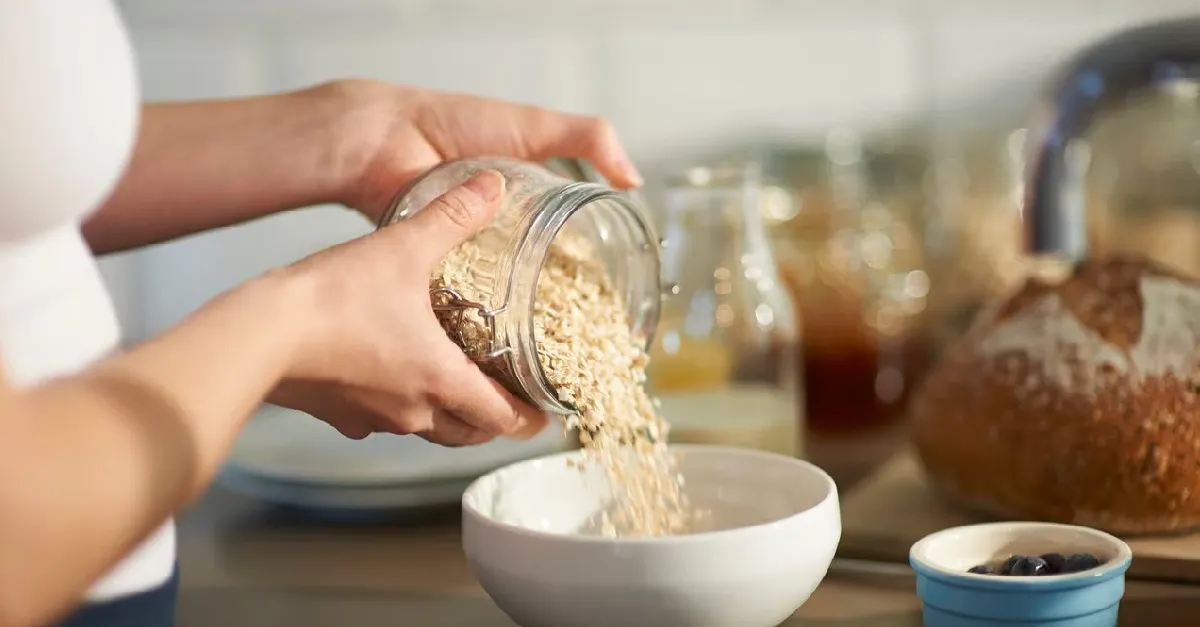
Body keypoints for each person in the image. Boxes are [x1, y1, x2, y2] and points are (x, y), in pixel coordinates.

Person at [1, 3, 644, 627]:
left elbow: (36, 168)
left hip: (116, 564)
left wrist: (355, 140)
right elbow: (17, 532)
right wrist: (295, 324)